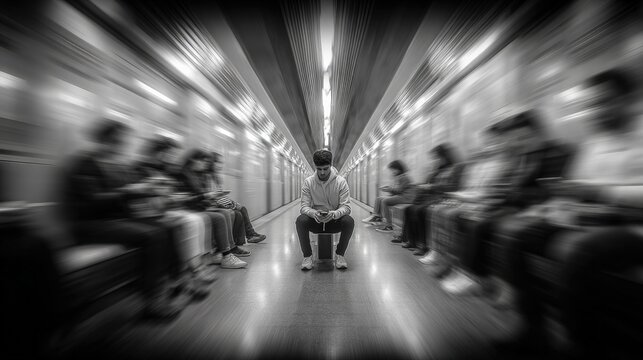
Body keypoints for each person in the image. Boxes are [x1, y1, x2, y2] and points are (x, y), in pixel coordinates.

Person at [492, 68, 643, 357]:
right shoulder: (595, 143)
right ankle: (533, 330)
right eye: (593, 104)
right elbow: (573, 188)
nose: (597, 111)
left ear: (628, 100)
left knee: (578, 250)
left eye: (606, 102)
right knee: (516, 235)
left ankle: (577, 343)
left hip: (632, 226)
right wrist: (548, 209)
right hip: (588, 218)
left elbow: (597, 192)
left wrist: (602, 193)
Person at [63, 119, 184, 319]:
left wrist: (150, 186)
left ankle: (171, 280)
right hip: (90, 224)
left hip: (115, 220)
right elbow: (93, 201)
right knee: (153, 236)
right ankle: (153, 301)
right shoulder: (85, 164)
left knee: (167, 226)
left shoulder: (114, 165)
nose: (123, 145)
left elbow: (128, 192)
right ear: (106, 140)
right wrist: (131, 190)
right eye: (120, 141)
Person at [135, 135, 217, 289]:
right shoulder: (140, 168)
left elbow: (167, 194)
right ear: (160, 152)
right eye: (170, 154)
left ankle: (196, 267)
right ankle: (192, 271)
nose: (173, 157)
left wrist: (173, 197)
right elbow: (143, 197)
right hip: (151, 212)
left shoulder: (163, 169)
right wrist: (171, 197)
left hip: (164, 209)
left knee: (199, 220)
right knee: (192, 221)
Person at [178, 149, 249, 268]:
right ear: (193, 160)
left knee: (230, 212)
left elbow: (201, 195)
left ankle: (225, 251)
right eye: (203, 161)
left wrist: (210, 197)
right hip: (195, 208)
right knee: (224, 214)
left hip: (203, 204)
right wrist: (209, 197)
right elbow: (194, 197)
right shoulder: (187, 175)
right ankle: (227, 253)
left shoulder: (198, 175)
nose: (205, 164)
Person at [394, 143, 463, 256]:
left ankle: (424, 245)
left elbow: (453, 187)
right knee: (409, 209)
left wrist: (432, 187)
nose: (435, 160)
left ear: (444, 156)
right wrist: (426, 184)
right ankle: (411, 240)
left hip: (444, 198)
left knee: (420, 211)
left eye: (437, 157)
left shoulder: (455, 169)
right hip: (431, 198)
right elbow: (428, 183)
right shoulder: (437, 171)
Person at [295, 149, 353, 270]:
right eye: (319, 169)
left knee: (349, 221)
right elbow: (304, 207)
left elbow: (346, 207)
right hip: (316, 221)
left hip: (334, 220)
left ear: (331, 166)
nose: (322, 172)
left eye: (325, 169)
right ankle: (307, 256)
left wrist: (334, 214)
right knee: (301, 220)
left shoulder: (341, 182)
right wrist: (313, 213)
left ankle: (340, 255)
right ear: (315, 167)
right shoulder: (309, 182)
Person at [206, 152, 266, 243]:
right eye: (217, 162)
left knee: (240, 210)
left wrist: (232, 202)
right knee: (238, 211)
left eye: (221, 163)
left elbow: (219, 195)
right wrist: (231, 204)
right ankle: (250, 235)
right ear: (211, 163)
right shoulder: (207, 177)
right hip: (212, 205)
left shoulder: (217, 177)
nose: (220, 165)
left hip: (217, 202)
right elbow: (212, 196)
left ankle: (245, 237)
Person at [362, 160, 415, 232]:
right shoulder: (400, 177)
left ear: (398, 169)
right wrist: (389, 188)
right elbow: (397, 190)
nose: (392, 172)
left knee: (385, 201)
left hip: (406, 197)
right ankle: (377, 216)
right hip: (402, 196)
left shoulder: (404, 177)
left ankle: (389, 226)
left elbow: (399, 190)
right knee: (379, 198)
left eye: (393, 170)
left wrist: (388, 189)